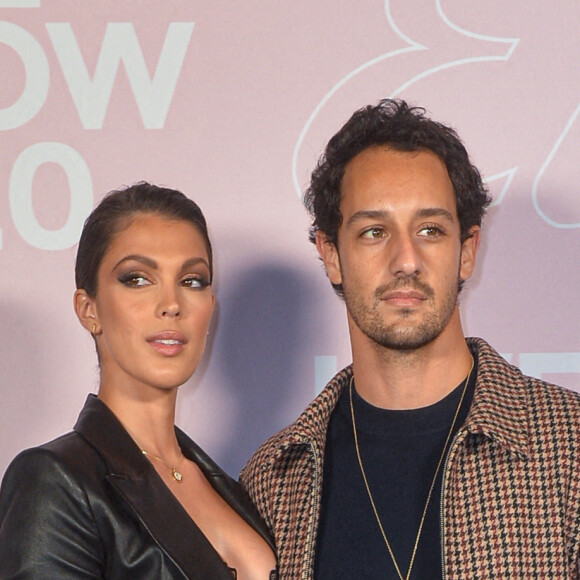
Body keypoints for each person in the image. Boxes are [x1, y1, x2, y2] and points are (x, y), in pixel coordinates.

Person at [240, 100, 580, 579]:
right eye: (375, 231)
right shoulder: (274, 481)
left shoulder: (568, 449)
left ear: (467, 251)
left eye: (430, 230)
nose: (406, 259)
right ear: (331, 253)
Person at [0, 183, 277, 579]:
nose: (171, 305)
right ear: (88, 308)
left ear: (210, 307)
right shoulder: (54, 480)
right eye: (137, 279)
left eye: (192, 280)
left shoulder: (238, 491)